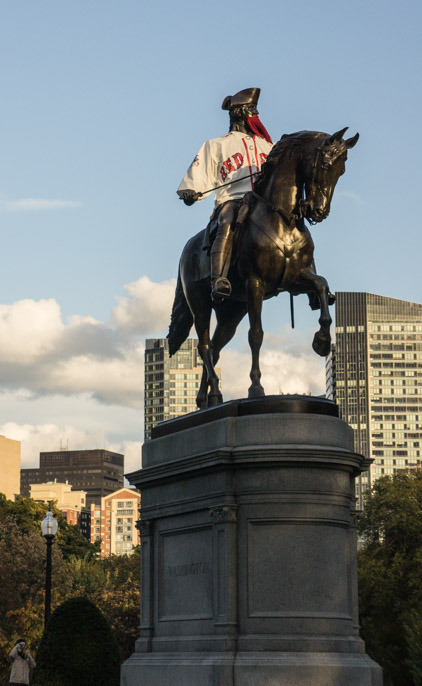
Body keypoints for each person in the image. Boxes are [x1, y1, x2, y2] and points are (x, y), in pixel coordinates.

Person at [177, 87, 274, 301]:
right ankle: (218, 279)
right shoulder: (216, 144)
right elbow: (199, 174)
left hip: (264, 203)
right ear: (238, 113)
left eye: (255, 110)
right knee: (227, 222)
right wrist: (191, 191)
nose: (254, 114)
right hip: (232, 200)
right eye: (250, 110)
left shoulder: (269, 146)